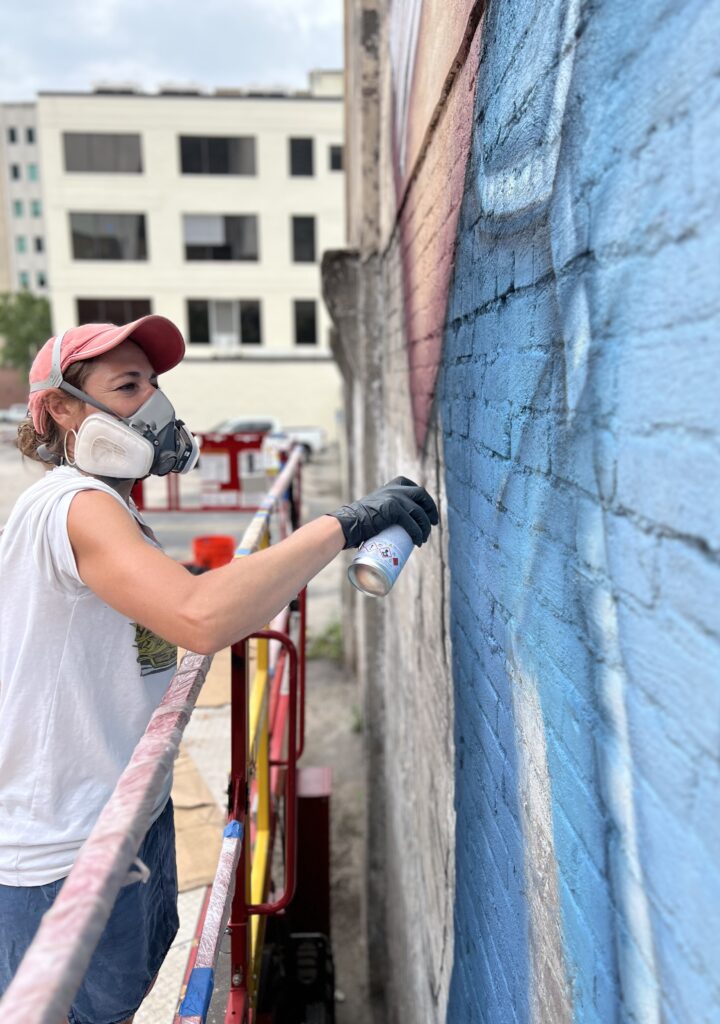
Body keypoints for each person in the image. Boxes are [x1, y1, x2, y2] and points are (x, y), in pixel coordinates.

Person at [0, 315, 438, 1024]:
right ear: (59, 410)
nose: (153, 403)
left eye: (154, 382)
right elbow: (200, 615)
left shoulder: (110, 507)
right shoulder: (73, 504)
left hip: (122, 819)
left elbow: (197, 603)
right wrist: (345, 525)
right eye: (128, 384)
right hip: (62, 853)